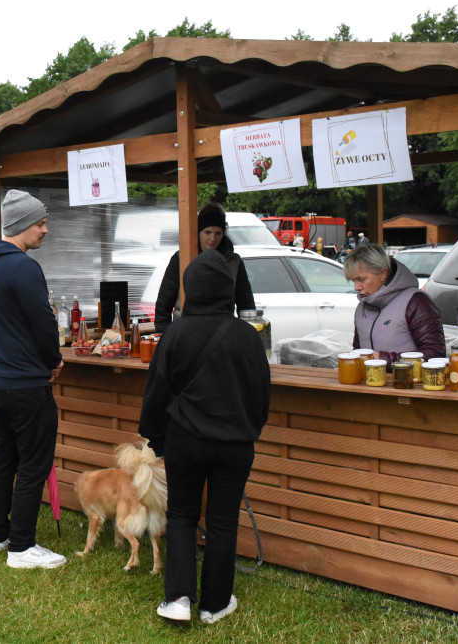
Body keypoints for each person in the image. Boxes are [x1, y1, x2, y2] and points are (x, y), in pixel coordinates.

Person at [139, 249, 271, 624]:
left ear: (190, 289)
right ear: (228, 290)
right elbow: (262, 394)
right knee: (224, 520)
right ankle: (215, 605)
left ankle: (178, 600)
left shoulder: (175, 333)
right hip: (235, 445)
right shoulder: (248, 336)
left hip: (185, 441)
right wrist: (249, 432)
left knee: (181, 514)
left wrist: (157, 439)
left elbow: (156, 394)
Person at [0, 189, 66, 570]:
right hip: (27, 381)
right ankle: (23, 547)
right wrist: (54, 359)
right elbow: (43, 322)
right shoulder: (24, 266)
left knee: (3, 458)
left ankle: (0, 535)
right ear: (23, 225)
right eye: (41, 223)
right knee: (33, 463)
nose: (45, 230)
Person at [154, 203, 254, 333]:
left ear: (224, 233)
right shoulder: (180, 258)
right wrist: (165, 336)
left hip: (223, 334)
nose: (212, 238)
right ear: (198, 231)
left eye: (218, 233)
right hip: (185, 333)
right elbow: (164, 303)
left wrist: (246, 336)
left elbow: (246, 305)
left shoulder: (235, 262)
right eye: (207, 232)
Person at [343, 243, 445, 367]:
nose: (356, 287)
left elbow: (436, 355)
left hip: (408, 384)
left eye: (362, 279)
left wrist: (384, 360)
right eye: (354, 281)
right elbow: (358, 351)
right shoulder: (362, 307)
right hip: (369, 384)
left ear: (383, 274)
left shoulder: (416, 302)